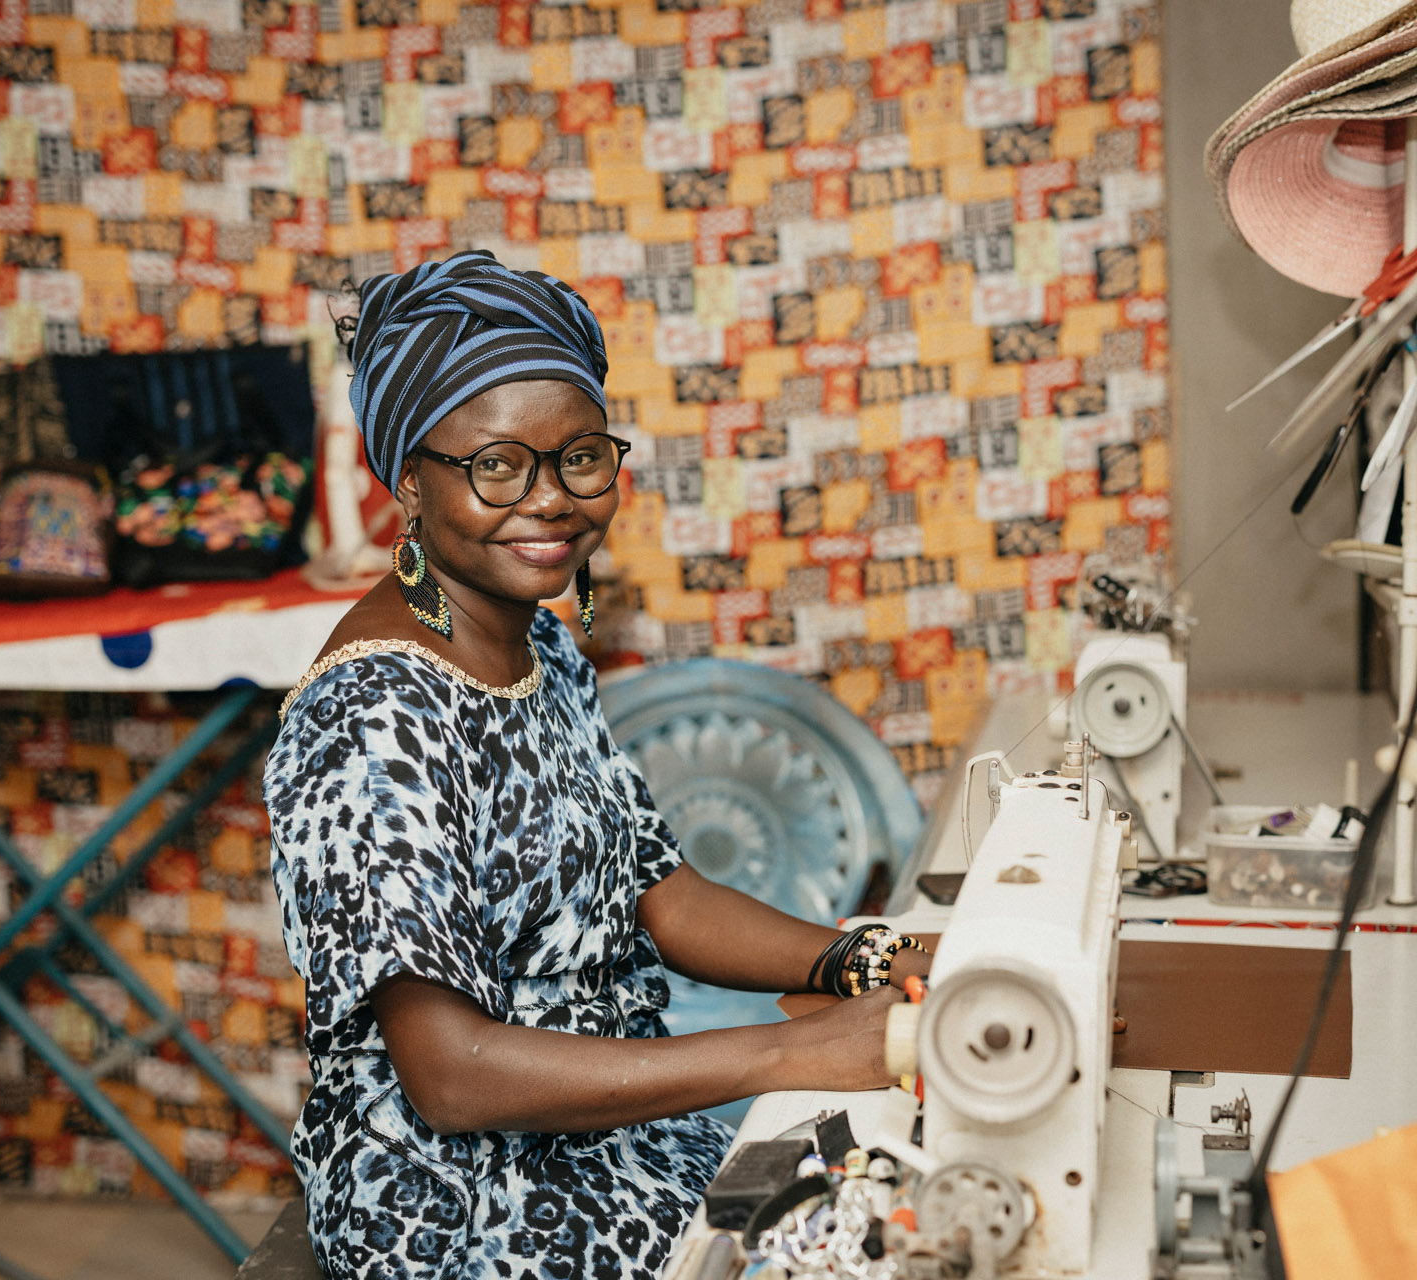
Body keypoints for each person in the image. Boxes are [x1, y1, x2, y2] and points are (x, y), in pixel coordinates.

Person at [264, 250, 932, 1280]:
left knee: (889, 1201)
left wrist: (866, 963)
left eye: (581, 456)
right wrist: (792, 1049)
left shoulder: (540, 642)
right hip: (466, 1207)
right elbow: (450, 1075)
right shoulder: (371, 713)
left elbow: (660, 893)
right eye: (497, 464)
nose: (552, 500)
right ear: (407, 480)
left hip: (607, 1141)